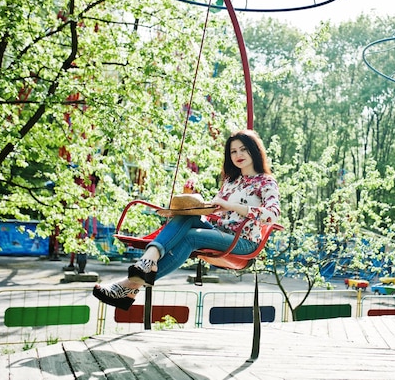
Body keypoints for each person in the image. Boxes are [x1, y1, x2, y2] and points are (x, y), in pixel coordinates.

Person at [93, 129, 281, 310]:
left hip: (243, 242)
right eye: (233, 151)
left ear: (254, 150)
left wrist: (231, 206)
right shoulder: (231, 182)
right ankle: (147, 262)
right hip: (220, 233)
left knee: (192, 237)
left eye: (243, 149)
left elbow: (272, 214)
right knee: (186, 216)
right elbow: (214, 210)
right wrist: (181, 211)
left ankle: (129, 284)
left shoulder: (265, 181)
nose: (238, 154)